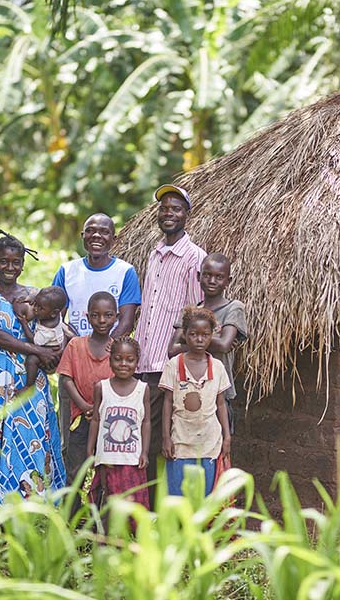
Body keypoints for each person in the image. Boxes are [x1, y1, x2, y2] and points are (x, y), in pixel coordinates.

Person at [0, 230, 66, 512]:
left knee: (34, 439)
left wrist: (53, 355)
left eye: (15, 262)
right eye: (3, 262)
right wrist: (38, 352)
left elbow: (52, 330)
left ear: (23, 264)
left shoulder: (35, 296)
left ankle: (37, 507)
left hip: (30, 378)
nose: (9, 268)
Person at [135, 184, 206, 479]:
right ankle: (143, 506)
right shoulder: (155, 253)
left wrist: (175, 354)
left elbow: (193, 312)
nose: (168, 214)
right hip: (142, 360)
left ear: (187, 215)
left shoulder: (194, 257)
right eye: (164, 208)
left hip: (165, 363)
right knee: (143, 437)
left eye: (176, 209)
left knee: (160, 440)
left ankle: (154, 508)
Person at [168, 253, 248, 434]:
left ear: (228, 281)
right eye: (207, 275)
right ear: (198, 276)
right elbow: (172, 350)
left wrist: (188, 338)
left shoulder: (234, 308)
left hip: (218, 392)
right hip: (186, 392)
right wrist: (212, 339)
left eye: (219, 277)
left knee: (216, 450)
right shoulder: (190, 310)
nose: (212, 280)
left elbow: (225, 345)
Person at [160, 306, 231, 496]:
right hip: (180, 442)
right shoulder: (174, 364)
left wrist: (227, 436)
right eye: (193, 334)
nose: (199, 339)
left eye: (205, 334)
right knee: (177, 495)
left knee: (205, 496)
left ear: (212, 335)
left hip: (209, 443)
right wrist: (166, 437)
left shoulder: (217, 367)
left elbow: (221, 404)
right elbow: (167, 403)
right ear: (185, 334)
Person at [57, 291, 117, 484]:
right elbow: (67, 379)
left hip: (109, 421)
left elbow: (122, 383)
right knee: (76, 471)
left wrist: (101, 409)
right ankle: (71, 512)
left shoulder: (118, 350)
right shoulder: (76, 345)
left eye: (108, 315)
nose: (101, 320)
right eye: (95, 315)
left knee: (106, 471)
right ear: (87, 316)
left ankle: (101, 512)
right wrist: (84, 406)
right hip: (81, 418)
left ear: (116, 317)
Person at [52, 213, 141, 338]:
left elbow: (126, 323)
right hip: (74, 348)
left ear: (113, 240)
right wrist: (78, 344)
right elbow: (55, 318)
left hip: (110, 351)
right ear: (83, 236)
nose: (96, 236)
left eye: (104, 232)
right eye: (90, 231)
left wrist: (104, 348)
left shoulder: (125, 272)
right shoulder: (66, 271)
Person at [87, 337, 151, 509]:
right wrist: (90, 449)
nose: (123, 363)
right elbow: (95, 419)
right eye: (118, 358)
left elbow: (146, 422)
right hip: (107, 457)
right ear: (110, 360)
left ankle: (133, 533)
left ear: (137, 362)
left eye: (130, 360)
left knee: (132, 498)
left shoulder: (142, 389)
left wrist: (144, 452)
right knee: (108, 497)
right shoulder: (101, 387)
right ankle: (106, 533)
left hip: (132, 458)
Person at [15, 286, 77, 390]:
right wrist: (30, 298)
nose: (35, 309)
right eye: (35, 304)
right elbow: (42, 299)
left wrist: (24, 324)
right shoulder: (54, 313)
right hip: (57, 343)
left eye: (40, 308)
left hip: (51, 357)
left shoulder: (47, 330)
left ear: (53, 313)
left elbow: (33, 340)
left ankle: (29, 385)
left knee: (31, 360)